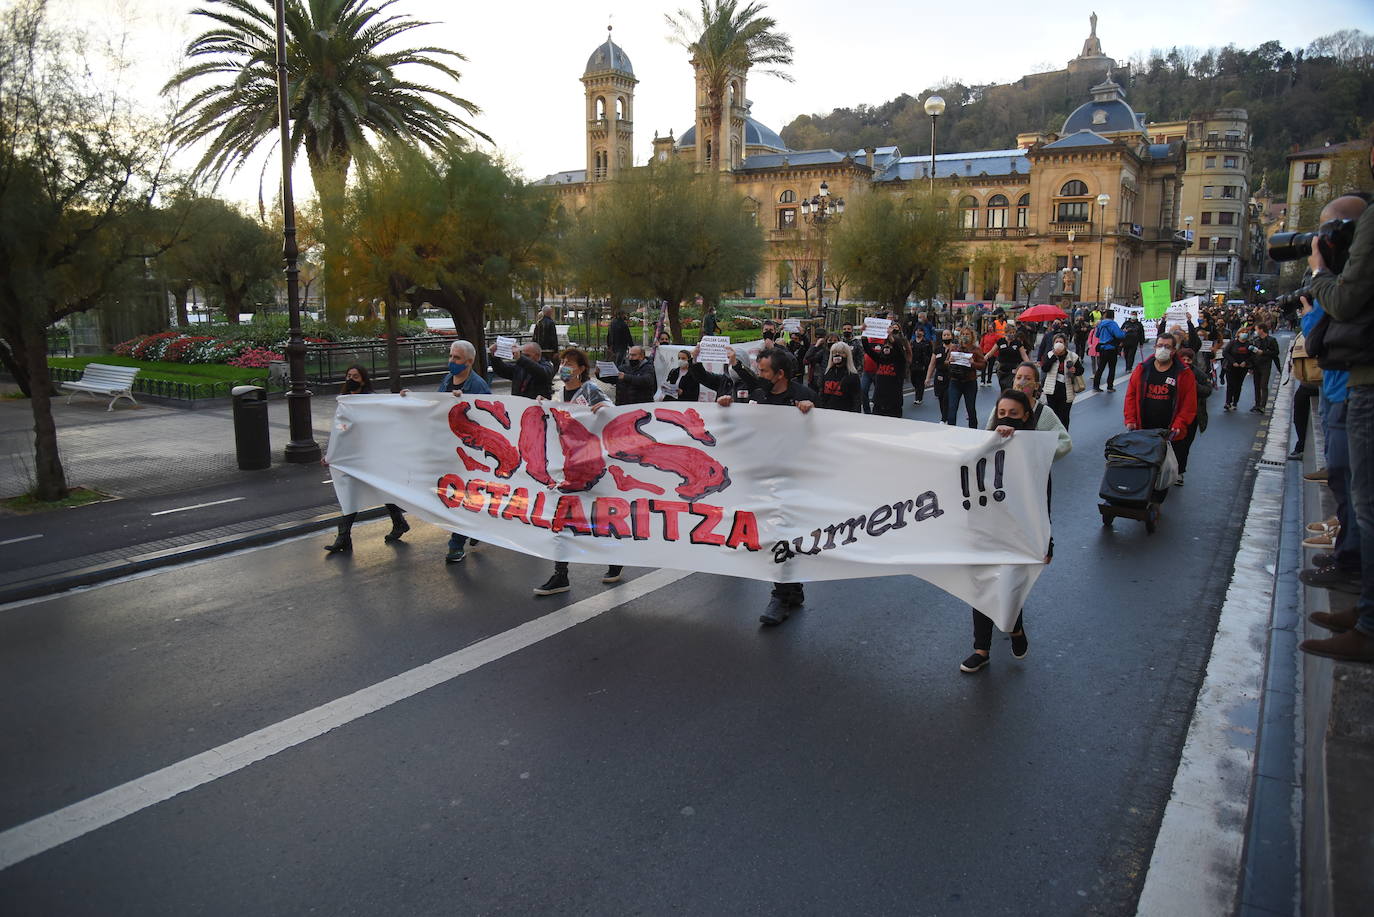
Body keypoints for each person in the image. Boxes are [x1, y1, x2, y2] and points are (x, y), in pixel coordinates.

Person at [1298, 185, 1374, 662]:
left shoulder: (1342, 275)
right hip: (1347, 388)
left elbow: (1335, 318)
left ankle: (1367, 619)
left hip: (1355, 387)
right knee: (1357, 497)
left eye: (1328, 233)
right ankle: (1364, 607)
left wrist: (1321, 273)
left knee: (1364, 502)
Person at [960, 387, 1069, 674]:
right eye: (1001, 413)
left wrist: (1047, 542)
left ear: (1027, 417)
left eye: (1013, 414)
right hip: (984, 529)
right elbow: (961, 466)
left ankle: (1015, 629)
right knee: (982, 587)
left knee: (1008, 588)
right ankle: (981, 649)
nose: (1006, 418)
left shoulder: (1033, 454)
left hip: (1017, 534)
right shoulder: (984, 445)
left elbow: (1041, 500)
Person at [715, 347, 815, 625]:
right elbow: (742, 424)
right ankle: (792, 588)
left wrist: (811, 413)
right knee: (772, 533)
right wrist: (725, 408)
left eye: (764, 371)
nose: (759, 375)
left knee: (780, 533)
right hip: (761, 475)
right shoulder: (758, 394)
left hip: (793, 478)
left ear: (780, 374)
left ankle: (780, 596)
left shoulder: (804, 396)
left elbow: (826, 434)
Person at [532, 347, 620, 595]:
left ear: (581, 369)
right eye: (562, 362)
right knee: (560, 517)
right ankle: (561, 575)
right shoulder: (559, 393)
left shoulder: (590, 390)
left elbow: (612, 414)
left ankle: (615, 559)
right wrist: (543, 406)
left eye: (570, 363)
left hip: (590, 466)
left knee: (598, 516)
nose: (564, 367)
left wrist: (603, 407)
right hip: (566, 466)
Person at [323, 365, 408, 553]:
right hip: (351, 456)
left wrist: (403, 398)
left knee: (378, 490)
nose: (351, 379)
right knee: (350, 494)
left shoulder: (370, 401)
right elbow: (340, 431)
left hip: (370, 455)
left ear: (363, 380)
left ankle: (346, 537)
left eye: (355, 376)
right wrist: (331, 454)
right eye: (348, 375)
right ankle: (345, 536)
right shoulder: (345, 402)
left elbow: (386, 418)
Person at [432, 340, 494, 563]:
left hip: (471, 453)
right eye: (451, 356)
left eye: (456, 358)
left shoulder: (477, 386)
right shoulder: (447, 380)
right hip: (450, 449)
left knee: (464, 496)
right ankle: (477, 528)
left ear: (469, 361)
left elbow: (486, 420)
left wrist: (465, 405)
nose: (451, 361)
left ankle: (456, 544)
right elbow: (435, 406)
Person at [1124, 332, 1197, 484]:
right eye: (1160, 345)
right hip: (1144, 428)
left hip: (1169, 432)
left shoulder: (1184, 373)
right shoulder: (1143, 369)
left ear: (1174, 350)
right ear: (1155, 347)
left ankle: (1158, 496)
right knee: (1144, 469)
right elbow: (1131, 395)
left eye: (1167, 347)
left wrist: (1179, 424)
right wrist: (1130, 419)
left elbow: (1188, 404)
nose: (1163, 349)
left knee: (1162, 473)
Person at [1173, 347, 1213, 482]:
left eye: (1188, 360)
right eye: (1183, 359)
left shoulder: (1198, 374)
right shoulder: (1173, 371)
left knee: (1184, 445)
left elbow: (1207, 390)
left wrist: (1194, 385)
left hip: (1192, 416)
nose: (1185, 362)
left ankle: (1180, 471)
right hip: (1174, 414)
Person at [943, 327, 987, 427]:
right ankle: (951, 431)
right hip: (955, 381)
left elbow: (983, 365)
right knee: (952, 408)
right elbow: (945, 362)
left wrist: (973, 363)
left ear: (972, 336)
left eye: (967, 334)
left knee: (970, 409)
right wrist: (949, 361)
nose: (965, 336)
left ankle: (973, 430)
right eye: (963, 334)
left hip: (969, 382)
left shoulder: (976, 350)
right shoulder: (954, 348)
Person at [863, 325, 910, 417]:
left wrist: (891, 338)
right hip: (878, 403)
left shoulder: (900, 361)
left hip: (893, 404)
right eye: (885, 345)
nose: (887, 347)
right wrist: (864, 334)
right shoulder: (880, 359)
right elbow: (868, 350)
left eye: (890, 345)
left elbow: (899, 350)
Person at [1039, 332, 1083, 429]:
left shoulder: (1072, 356)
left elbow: (1080, 370)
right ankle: (1054, 435)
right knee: (1053, 416)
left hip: (1066, 390)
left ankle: (1064, 434)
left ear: (1065, 344)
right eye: (1057, 342)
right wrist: (1054, 356)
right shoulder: (1050, 354)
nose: (1059, 343)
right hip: (1052, 390)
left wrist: (1075, 370)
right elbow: (1044, 368)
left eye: (1061, 342)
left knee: (1064, 416)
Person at [488, 341, 554, 400]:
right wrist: (495, 356)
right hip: (519, 405)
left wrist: (521, 359)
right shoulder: (520, 366)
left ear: (537, 355)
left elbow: (541, 373)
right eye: (523, 355)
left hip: (537, 406)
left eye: (527, 355)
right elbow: (502, 370)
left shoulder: (547, 366)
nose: (524, 358)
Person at [1220, 326, 1255, 411]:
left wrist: (1245, 362)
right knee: (1230, 385)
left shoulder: (1249, 344)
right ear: (1238, 334)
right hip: (1231, 367)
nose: (1244, 334)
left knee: (1238, 385)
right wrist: (1233, 362)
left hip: (1242, 368)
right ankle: (1228, 402)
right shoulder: (1232, 343)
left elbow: (1252, 355)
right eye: (1243, 332)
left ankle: (1235, 402)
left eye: (1246, 333)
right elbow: (1225, 352)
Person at [818, 340, 861, 410]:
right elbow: (821, 395)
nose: (837, 354)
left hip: (844, 413)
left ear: (847, 355)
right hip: (827, 412)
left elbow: (856, 400)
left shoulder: (853, 376)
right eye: (834, 352)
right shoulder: (826, 373)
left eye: (841, 352)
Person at [925, 329, 955, 423]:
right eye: (944, 335)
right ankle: (945, 417)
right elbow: (932, 364)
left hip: (951, 377)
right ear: (942, 337)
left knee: (947, 398)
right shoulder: (937, 350)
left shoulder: (955, 348)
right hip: (939, 377)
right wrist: (928, 378)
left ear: (951, 336)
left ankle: (944, 419)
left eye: (948, 335)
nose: (946, 336)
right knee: (941, 398)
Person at [1250, 323, 1281, 413]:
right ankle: (1257, 404)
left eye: (1257, 329)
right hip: (1256, 365)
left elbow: (1276, 352)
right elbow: (1252, 353)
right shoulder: (1255, 340)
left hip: (1266, 365)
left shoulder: (1271, 340)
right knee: (1256, 385)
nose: (1256, 331)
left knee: (1263, 385)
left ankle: (1262, 406)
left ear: (1261, 330)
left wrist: (1263, 352)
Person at [1092, 313, 1124, 392]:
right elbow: (1119, 335)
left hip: (1102, 348)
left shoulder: (1100, 324)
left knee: (1100, 368)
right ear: (1113, 317)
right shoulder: (1113, 324)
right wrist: (1124, 332)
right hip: (1111, 348)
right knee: (1112, 368)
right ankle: (1110, 387)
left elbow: (1097, 335)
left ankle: (1096, 386)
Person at [993, 325, 1028, 393]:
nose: (1012, 334)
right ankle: (1004, 398)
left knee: (1009, 386)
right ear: (1006, 333)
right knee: (1003, 387)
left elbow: (1024, 356)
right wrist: (984, 358)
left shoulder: (1017, 343)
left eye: (1014, 332)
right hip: (1001, 369)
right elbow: (991, 352)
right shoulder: (1001, 341)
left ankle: (1009, 397)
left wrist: (1029, 365)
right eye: (1010, 332)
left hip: (1013, 369)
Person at [910, 326, 933, 406]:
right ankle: (917, 390)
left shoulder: (927, 343)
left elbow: (930, 354)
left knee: (920, 381)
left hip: (922, 365)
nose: (918, 332)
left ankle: (919, 398)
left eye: (920, 331)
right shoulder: (912, 342)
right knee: (913, 380)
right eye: (916, 330)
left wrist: (927, 363)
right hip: (913, 364)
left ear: (923, 333)